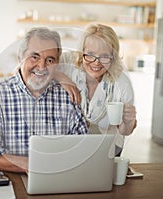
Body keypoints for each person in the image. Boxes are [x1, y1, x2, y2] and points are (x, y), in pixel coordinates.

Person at [0, 27, 88, 173]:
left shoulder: (67, 97)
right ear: (20, 58)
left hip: (57, 182)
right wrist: (31, 165)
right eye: (35, 57)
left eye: (49, 60)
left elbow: (82, 148)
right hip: (11, 182)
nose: (41, 66)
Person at [57, 23, 137, 155]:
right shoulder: (68, 63)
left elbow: (125, 131)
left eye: (104, 56)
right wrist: (61, 77)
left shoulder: (122, 83)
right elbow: (37, 69)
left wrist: (129, 122)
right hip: (69, 148)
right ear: (82, 52)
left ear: (113, 56)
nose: (96, 62)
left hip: (106, 151)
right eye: (90, 54)